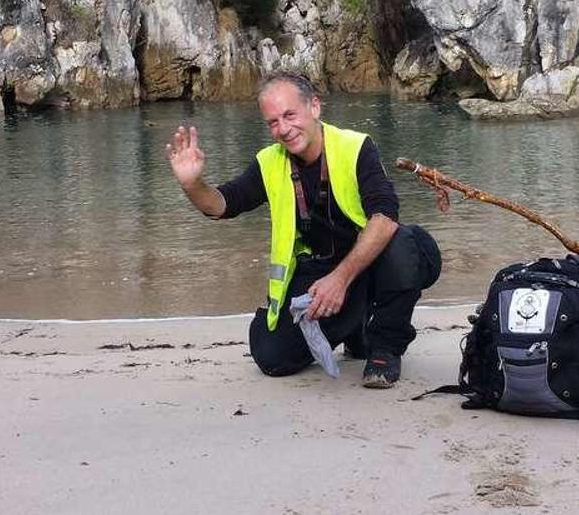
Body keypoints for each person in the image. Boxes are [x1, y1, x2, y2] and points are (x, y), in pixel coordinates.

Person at [165, 71, 439, 388]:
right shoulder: (270, 161)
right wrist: (192, 184)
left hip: (364, 264)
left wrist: (340, 280)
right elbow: (223, 204)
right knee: (272, 357)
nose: (283, 129)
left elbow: (385, 215)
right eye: (273, 122)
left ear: (315, 108)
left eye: (289, 115)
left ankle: (386, 348)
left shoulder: (355, 147)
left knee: (404, 244)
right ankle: (354, 326)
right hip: (316, 269)